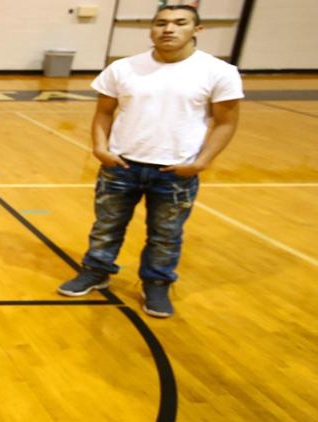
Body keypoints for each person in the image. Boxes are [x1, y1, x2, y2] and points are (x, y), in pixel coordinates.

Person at [56, 3, 242, 319]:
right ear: (151, 28)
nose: (168, 29)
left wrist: (201, 163)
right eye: (161, 23)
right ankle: (96, 271)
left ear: (197, 29)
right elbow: (103, 113)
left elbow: (226, 122)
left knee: (166, 234)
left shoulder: (219, 72)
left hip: (175, 171)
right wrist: (100, 148)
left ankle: (156, 283)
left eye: (180, 23)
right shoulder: (123, 68)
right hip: (121, 166)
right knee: (106, 226)